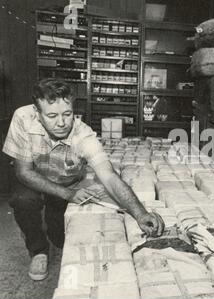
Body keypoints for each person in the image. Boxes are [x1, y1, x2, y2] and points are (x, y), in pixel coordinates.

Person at [2, 78, 165, 281]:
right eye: (52, 116)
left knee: (60, 239)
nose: (61, 123)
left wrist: (140, 213)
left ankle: (53, 223)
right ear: (37, 113)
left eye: (67, 114)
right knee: (23, 200)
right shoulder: (23, 117)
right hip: (33, 178)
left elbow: (109, 176)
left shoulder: (83, 135)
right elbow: (23, 172)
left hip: (64, 179)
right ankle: (38, 249)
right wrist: (69, 195)